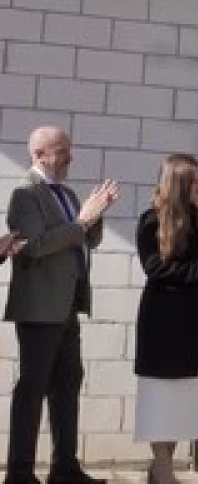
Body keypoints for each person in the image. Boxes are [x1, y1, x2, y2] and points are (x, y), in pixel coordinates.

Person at [4, 126, 119, 484]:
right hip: (39, 307)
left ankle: (64, 467)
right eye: (62, 150)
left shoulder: (66, 192)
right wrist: (82, 220)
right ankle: (20, 473)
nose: (70, 156)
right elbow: (35, 246)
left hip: (67, 305)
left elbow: (86, 238)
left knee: (68, 383)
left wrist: (96, 215)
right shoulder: (26, 193)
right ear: (40, 155)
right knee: (33, 387)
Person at [134, 154, 198, 484]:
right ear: (178, 184)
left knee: (185, 397)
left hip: (195, 319)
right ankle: (162, 468)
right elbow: (156, 269)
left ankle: (162, 466)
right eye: (194, 181)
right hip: (163, 320)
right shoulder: (151, 220)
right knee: (160, 394)